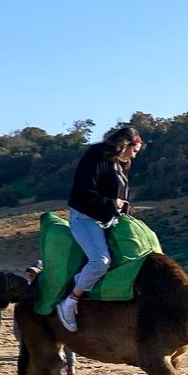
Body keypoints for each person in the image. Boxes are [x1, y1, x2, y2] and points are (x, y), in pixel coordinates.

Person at [57, 123, 144, 332]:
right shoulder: (95, 155)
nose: (133, 156)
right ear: (125, 144)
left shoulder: (120, 164)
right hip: (85, 218)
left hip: (108, 219)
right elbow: (84, 191)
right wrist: (112, 203)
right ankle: (70, 301)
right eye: (134, 151)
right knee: (100, 261)